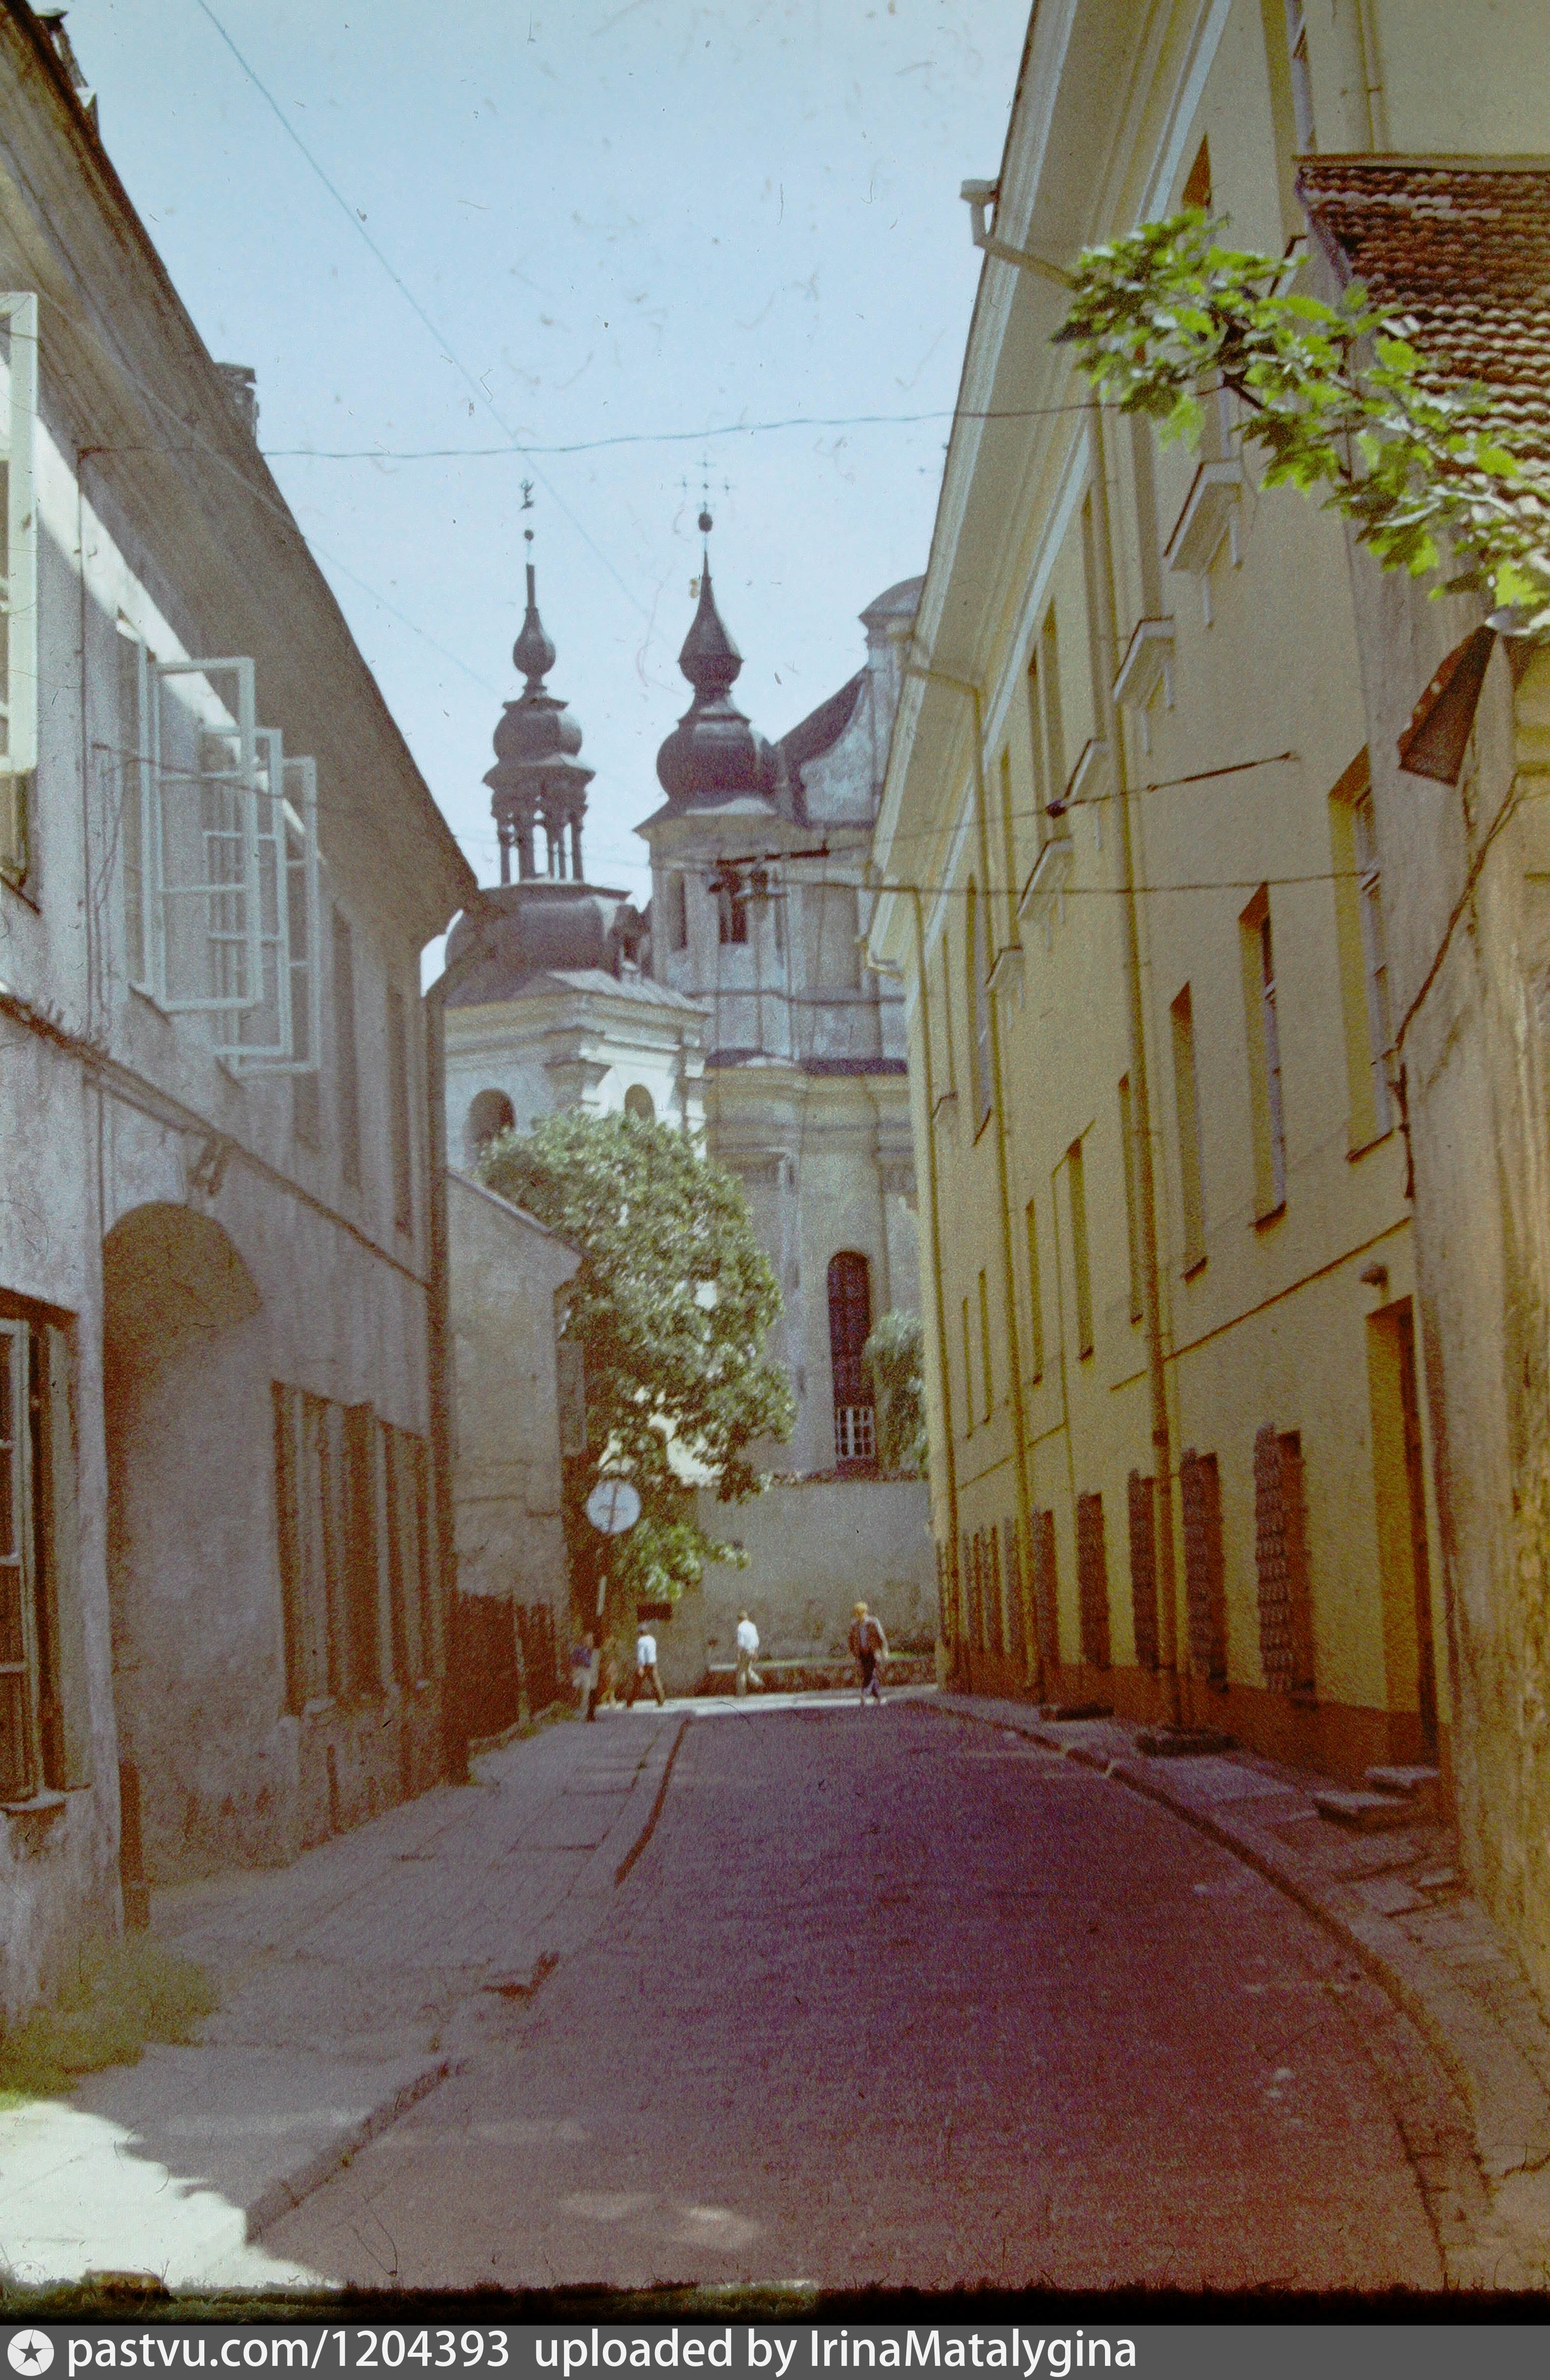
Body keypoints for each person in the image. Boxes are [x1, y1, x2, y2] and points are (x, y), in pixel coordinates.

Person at [848, 1600, 888, 1706]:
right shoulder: (855, 1625)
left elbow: (881, 1637)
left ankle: (864, 1694)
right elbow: (851, 1640)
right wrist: (851, 1653)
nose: (859, 1616)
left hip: (873, 1652)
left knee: (869, 1674)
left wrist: (884, 1651)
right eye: (857, 1613)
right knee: (870, 1674)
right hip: (862, 1653)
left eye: (861, 1613)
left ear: (865, 1612)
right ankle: (879, 1697)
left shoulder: (873, 1622)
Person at [629, 1622, 666, 1707]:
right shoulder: (652, 1639)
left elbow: (641, 1655)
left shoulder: (641, 1641)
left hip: (645, 1665)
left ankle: (630, 1702)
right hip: (653, 1664)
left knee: (637, 1684)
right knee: (656, 1682)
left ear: (640, 1632)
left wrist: (640, 1668)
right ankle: (661, 1700)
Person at [734, 1608, 762, 1697]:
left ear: (739, 1619)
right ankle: (758, 1682)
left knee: (741, 1672)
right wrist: (755, 1652)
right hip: (752, 1650)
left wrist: (738, 1654)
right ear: (747, 1618)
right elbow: (756, 1640)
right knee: (748, 1669)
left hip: (745, 1651)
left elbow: (741, 1643)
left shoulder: (740, 1627)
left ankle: (741, 1693)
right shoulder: (753, 1626)